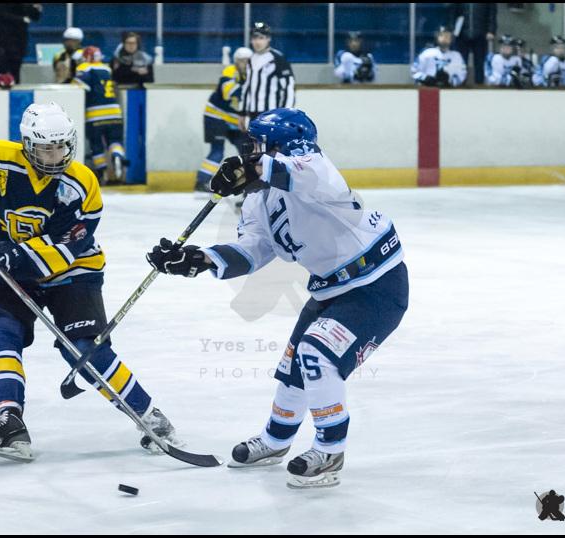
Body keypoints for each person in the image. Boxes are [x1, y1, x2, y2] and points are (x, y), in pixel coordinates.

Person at [146, 108, 409, 489]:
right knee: (293, 368)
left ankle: (331, 449)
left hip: (377, 284)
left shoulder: (314, 167)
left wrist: (253, 170)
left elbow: (297, 171)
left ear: (278, 147)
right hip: (331, 287)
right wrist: (199, 259)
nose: (248, 151)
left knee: (317, 355)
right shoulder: (258, 202)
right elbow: (253, 250)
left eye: (255, 146)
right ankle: (275, 440)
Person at [0, 102, 180, 462]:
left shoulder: (81, 183)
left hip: (74, 272)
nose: (55, 155)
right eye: (45, 147)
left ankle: (149, 415)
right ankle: (9, 419)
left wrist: (8, 259)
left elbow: (71, 245)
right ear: (27, 143)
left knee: (85, 349)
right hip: (12, 268)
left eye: (61, 146)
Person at [194, 47, 252, 193]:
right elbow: (228, 93)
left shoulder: (253, 75)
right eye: (242, 60)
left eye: (247, 60)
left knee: (245, 150)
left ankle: (247, 180)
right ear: (236, 61)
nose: (244, 63)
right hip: (216, 116)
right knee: (217, 150)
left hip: (233, 120)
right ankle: (202, 181)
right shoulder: (230, 70)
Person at [73, 46, 127, 184]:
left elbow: (78, 84)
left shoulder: (84, 67)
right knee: (115, 141)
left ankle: (102, 173)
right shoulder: (106, 68)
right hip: (114, 112)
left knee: (96, 145)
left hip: (95, 113)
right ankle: (117, 155)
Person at [239, 22, 295, 133]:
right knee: (254, 148)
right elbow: (246, 87)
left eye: (261, 38)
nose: (257, 42)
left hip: (272, 114)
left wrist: (285, 114)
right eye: (254, 38)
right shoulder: (251, 59)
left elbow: (289, 88)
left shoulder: (278, 59)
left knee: (270, 148)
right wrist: (242, 113)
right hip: (253, 114)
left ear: (268, 39)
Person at [0, 3, 43, 84]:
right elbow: (2, 14)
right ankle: (0, 91)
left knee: (16, 70)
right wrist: (21, 19)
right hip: (3, 40)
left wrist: (37, 9)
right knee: (2, 70)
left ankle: (16, 90)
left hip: (19, 41)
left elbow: (35, 17)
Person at [450, 3, 497, 84]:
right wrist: (452, 28)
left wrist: (491, 30)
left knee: (480, 63)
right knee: (461, 62)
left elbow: (492, 14)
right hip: (462, 34)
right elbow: (453, 13)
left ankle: (479, 85)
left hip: (481, 33)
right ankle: (461, 84)